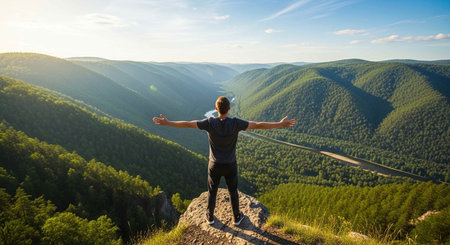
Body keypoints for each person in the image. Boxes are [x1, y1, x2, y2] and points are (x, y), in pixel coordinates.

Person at [152, 96, 296, 226]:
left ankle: (209, 216)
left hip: (214, 164)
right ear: (229, 109)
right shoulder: (235, 123)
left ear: (216, 109)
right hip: (230, 164)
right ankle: (237, 217)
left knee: (212, 190)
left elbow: (187, 124)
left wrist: (168, 122)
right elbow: (258, 124)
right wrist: (279, 124)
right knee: (233, 191)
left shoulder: (209, 122)